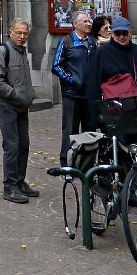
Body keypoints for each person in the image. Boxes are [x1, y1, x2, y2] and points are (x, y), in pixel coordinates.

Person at [0, 19, 40, 203]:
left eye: (25, 33)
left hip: (21, 107)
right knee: (12, 146)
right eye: (18, 33)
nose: (22, 36)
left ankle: (19, 181)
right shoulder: (4, 51)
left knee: (24, 144)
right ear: (10, 33)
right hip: (6, 106)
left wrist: (29, 95)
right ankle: (9, 187)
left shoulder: (22, 51)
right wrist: (15, 95)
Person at [87, 13, 137, 129]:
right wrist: (95, 114)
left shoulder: (136, 51)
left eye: (125, 33)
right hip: (113, 109)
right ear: (112, 34)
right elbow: (94, 83)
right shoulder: (102, 52)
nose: (121, 36)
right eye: (117, 33)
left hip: (136, 107)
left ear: (130, 33)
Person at [52, 10, 96, 166]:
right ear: (75, 24)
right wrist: (71, 81)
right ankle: (67, 164)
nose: (88, 23)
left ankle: (87, 166)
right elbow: (56, 66)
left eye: (89, 21)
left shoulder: (92, 42)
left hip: (89, 95)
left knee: (89, 131)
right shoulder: (66, 41)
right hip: (72, 94)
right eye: (84, 21)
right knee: (70, 131)